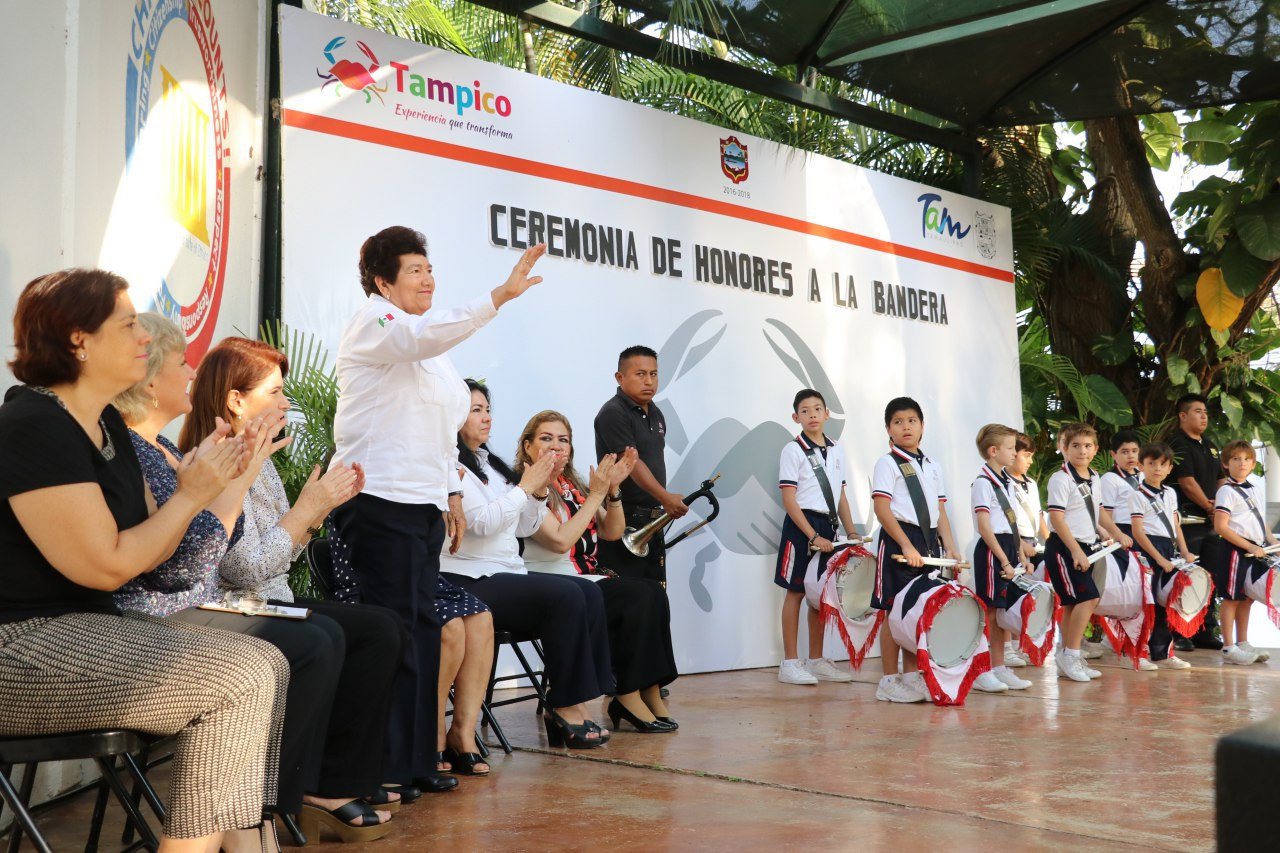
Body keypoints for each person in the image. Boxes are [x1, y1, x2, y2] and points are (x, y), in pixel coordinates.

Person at [0, 268, 287, 852]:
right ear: (79, 340)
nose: (145, 340)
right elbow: (106, 566)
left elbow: (160, 559)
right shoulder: (31, 427)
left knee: (266, 663)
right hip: (19, 646)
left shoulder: (104, 423)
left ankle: (252, 849)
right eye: (129, 324)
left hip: (86, 629)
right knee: (243, 674)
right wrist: (194, 495)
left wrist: (208, 490)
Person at [327, 226, 546, 791]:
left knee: (422, 632)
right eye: (415, 271)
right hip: (378, 503)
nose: (429, 279)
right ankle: (377, 766)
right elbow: (421, 336)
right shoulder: (376, 323)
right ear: (382, 281)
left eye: (430, 268)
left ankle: (415, 761)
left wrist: (450, 491)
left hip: (421, 506)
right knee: (392, 635)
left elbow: (444, 431)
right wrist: (497, 297)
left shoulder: (432, 353)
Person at [442, 381, 616, 748]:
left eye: (487, 408)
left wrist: (536, 491)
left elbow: (524, 524)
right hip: (468, 577)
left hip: (505, 574)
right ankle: (563, 706)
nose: (486, 417)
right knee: (566, 595)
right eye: (476, 410)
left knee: (588, 592)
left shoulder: (492, 465)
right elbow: (484, 523)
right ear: (452, 415)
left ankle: (580, 700)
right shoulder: (450, 467)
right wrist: (526, 488)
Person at [515, 409, 680, 731]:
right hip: (550, 582)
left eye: (563, 440)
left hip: (585, 578)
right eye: (546, 439)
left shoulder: (570, 485)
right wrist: (597, 494)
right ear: (528, 446)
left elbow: (612, 532)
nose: (556, 447)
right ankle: (625, 693)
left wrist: (613, 490)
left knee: (651, 592)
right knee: (634, 597)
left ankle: (649, 688)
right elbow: (560, 542)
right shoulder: (525, 486)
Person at [870, 396, 961, 703]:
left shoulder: (933, 465)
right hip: (899, 539)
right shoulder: (887, 462)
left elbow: (941, 511)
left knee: (915, 610)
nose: (905, 427)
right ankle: (887, 680)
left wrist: (951, 548)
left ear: (922, 426)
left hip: (929, 541)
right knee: (891, 611)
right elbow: (882, 509)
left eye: (911, 420)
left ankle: (910, 678)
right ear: (888, 429)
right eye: (898, 422)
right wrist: (906, 544)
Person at [773, 388, 856, 686]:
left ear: (826, 413)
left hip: (829, 527)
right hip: (802, 527)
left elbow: (840, 494)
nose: (812, 415)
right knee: (795, 592)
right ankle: (790, 663)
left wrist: (851, 530)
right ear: (796, 417)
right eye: (805, 411)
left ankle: (816, 660)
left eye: (817, 409)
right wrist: (811, 535)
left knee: (819, 597)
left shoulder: (836, 448)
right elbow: (789, 499)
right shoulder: (792, 450)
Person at [594, 345, 685, 585]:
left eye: (653, 374)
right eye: (640, 374)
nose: (649, 381)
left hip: (653, 521)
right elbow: (632, 465)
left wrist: (662, 503)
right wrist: (665, 497)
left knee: (656, 598)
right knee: (630, 601)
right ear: (619, 377)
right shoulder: (613, 413)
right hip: (623, 519)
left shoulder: (656, 412)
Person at [969, 424, 1034, 693]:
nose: (1014, 452)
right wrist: (1003, 561)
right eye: (1010, 448)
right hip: (991, 550)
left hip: (1008, 547)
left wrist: (1019, 556)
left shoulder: (1007, 481)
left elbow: (1013, 524)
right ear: (993, 451)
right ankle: (981, 670)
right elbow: (985, 527)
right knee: (989, 614)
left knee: (1003, 613)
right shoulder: (983, 483)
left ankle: (998, 668)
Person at [1044, 422, 1107, 684]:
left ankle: (1066, 655)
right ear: (1065, 448)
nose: (1083, 451)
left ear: (1096, 449)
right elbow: (1057, 518)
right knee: (1088, 598)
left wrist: (1111, 531)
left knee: (1073, 602)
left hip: (1087, 546)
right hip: (1064, 547)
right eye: (1076, 446)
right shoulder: (1061, 478)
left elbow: (1098, 511)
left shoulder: (1094, 476)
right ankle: (1071, 653)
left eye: (1088, 446)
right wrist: (1075, 550)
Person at [1128, 441, 1195, 670]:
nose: (1157, 468)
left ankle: (1163, 652)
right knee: (1145, 603)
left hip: (1168, 548)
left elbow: (1176, 525)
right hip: (1148, 550)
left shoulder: (1170, 493)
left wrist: (1184, 551)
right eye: (1151, 463)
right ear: (1141, 466)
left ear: (1169, 469)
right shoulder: (1137, 495)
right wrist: (1158, 558)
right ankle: (1139, 653)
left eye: (1163, 465)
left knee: (1165, 603)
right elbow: (1138, 531)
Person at [1211, 441, 1276, 666]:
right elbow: (1221, 527)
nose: (1242, 463)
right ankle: (1229, 647)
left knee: (1247, 598)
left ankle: (1243, 642)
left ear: (1253, 463)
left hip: (1256, 549)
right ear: (1226, 464)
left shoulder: (1255, 489)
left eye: (1246, 459)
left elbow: (1259, 521)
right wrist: (1248, 546)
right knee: (1231, 598)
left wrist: (1271, 540)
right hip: (1235, 550)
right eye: (1236, 459)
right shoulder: (1226, 491)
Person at [1167, 393, 1224, 650]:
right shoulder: (1177, 444)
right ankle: (1179, 632)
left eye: (1205, 412)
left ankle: (1204, 630)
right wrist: (1209, 506)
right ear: (1183, 415)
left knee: (1210, 576)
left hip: (1211, 523)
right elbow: (1187, 482)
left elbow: (1221, 479)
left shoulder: (1210, 445)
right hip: (1187, 522)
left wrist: (1221, 507)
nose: (1204, 416)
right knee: (1187, 577)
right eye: (1198, 411)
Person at [1005, 432, 1046, 667]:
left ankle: (1023, 643)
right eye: (1026, 455)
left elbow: (1038, 515)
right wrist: (1020, 543)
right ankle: (1007, 648)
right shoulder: (1004, 482)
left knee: (1029, 595)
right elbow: (1007, 518)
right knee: (1011, 594)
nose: (1030, 461)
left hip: (1033, 542)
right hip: (1014, 541)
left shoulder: (1030, 483)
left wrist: (1047, 540)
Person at [1098, 429, 1142, 550]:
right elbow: (1105, 514)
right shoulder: (1109, 479)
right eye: (1124, 452)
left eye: (1134, 451)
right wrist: (1115, 535)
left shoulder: (1144, 475)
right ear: (1113, 454)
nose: (1131, 456)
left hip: (1146, 531)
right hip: (1123, 532)